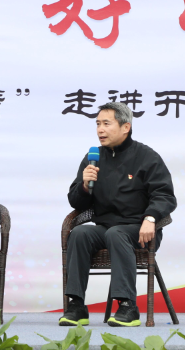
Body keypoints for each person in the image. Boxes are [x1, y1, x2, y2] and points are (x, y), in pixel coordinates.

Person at [60, 102, 176, 327]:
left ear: (125, 127)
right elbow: (76, 202)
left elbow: (165, 195)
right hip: (105, 228)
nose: (100, 130)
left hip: (139, 229)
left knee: (117, 234)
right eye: (97, 124)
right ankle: (76, 305)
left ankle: (127, 306)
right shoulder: (93, 157)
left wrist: (151, 217)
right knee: (80, 234)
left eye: (106, 124)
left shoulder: (146, 157)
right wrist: (84, 186)